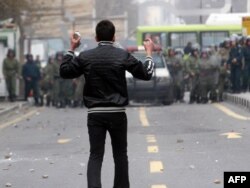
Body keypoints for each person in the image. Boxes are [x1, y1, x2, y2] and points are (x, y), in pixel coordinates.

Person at [60, 20, 154, 188]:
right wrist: (148, 52)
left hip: (95, 114)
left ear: (96, 38)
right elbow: (146, 74)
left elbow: (64, 71)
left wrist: (72, 48)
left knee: (95, 155)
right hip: (117, 113)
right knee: (120, 154)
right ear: (114, 36)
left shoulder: (85, 56)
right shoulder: (122, 55)